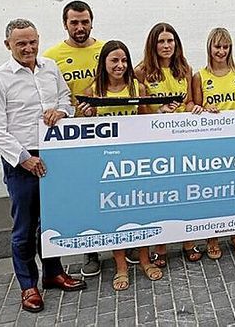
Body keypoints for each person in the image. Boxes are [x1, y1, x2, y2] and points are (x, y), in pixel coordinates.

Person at [0, 19, 87, 313]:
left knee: (51, 221)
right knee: (24, 228)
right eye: (21, 44)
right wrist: (24, 158)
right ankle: (28, 285)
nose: (28, 48)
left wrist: (61, 111)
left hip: (53, 154)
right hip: (21, 160)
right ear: (8, 45)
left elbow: (67, 99)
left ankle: (54, 273)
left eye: (32, 42)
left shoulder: (50, 67)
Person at [78, 40, 163, 290]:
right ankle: (121, 266)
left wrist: (163, 112)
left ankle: (145, 260)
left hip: (136, 160)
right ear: (103, 62)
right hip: (107, 163)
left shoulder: (138, 87)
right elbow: (81, 129)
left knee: (141, 209)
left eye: (124, 60)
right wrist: (85, 116)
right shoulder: (93, 90)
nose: (120, 65)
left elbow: (148, 118)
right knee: (115, 214)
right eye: (114, 60)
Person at [42, 0, 105, 277]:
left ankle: (123, 247)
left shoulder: (105, 49)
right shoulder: (51, 55)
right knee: (84, 195)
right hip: (71, 138)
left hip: (107, 133)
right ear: (65, 24)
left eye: (85, 21)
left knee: (113, 191)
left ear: (92, 21)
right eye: (74, 22)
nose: (80, 27)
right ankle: (90, 252)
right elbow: (47, 96)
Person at [135, 23, 202, 264]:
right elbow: (139, 114)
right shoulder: (141, 72)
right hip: (156, 144)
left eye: (170, 41)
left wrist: (198, 109)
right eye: (161, 42)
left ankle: (187, 241)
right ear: (153, 45)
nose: (166, 46)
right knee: (162, 195)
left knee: (187, 193)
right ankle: (161, 246)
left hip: (184, 141)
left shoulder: (185, 69)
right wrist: (160, 112)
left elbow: (192, 102)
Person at [191, 28, 235, 257]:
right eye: (217, 47)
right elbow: (195, 107)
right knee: (213, 192)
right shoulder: (200, 76)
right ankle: (212, 237)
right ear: (209, 48)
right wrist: (205, 109)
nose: (221, 51)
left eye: (225, 47)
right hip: (212, 144)